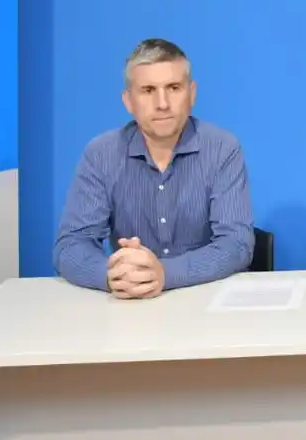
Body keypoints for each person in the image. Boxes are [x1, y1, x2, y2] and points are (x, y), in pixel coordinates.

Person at [53, 38, 255, 298]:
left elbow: (236, 244)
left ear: (191, 93)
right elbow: (70, 246)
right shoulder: (100, 155)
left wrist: (164, 273)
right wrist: (111, 274)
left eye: (173, 88)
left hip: (204, 300)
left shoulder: (222, 149)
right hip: (130, 306)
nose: (162, 103)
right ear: (128, 101)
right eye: (148, 90)